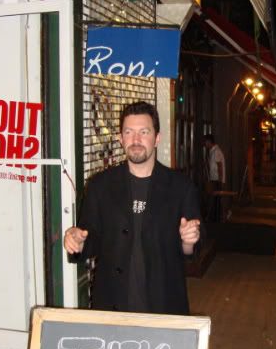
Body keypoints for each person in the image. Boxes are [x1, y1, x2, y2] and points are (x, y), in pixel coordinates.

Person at [63, 101, 201, 315]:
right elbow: (90, 237)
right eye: (129, 132)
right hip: (113, 305)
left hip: (165, 306)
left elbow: (189, 252)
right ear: (120, 138)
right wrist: (77, 241)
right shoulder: (101, 185)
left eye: (144, 132)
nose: (136, 140)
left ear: (157, 138)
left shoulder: (180, 187)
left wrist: (188, 241)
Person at [204, 133, 225, 221]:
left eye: (205, 142)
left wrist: (220, 181)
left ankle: (217, 216)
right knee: (215, 199)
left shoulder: (216, 151)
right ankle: (216, 216)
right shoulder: (213, 151)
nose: (205, 144)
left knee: (215, 199)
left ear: (209, 141)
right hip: (214, 179)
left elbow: (220, 166)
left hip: (216, 180)